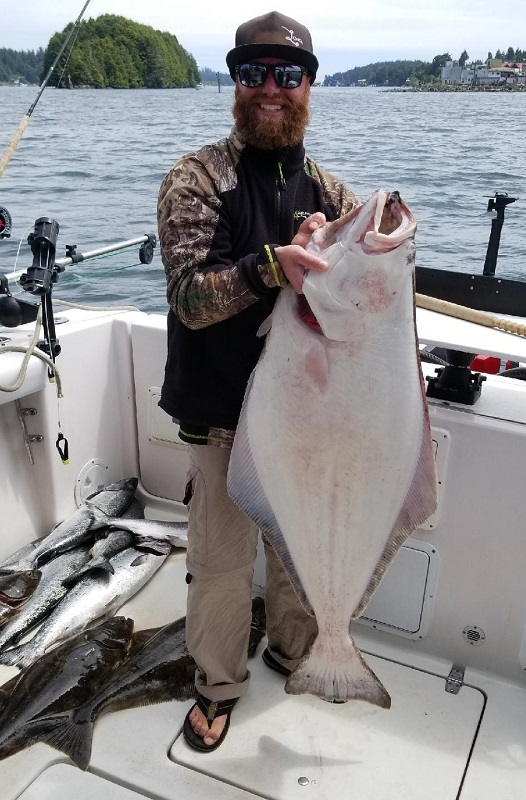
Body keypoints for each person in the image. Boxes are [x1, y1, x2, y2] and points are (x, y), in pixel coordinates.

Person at [157, 10, 360, 753]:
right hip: (221, 421)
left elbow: (360, 303)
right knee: (219, 560)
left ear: (309, 86)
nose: (270, 88)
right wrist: (273, 265)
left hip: (306, 425)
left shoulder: (333, 195)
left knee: (300, 548)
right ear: (235, 84)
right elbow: (188, 298)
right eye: (253, 74)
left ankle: (293, 648)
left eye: (287, 74)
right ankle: (217, 682)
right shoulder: (197, 177)